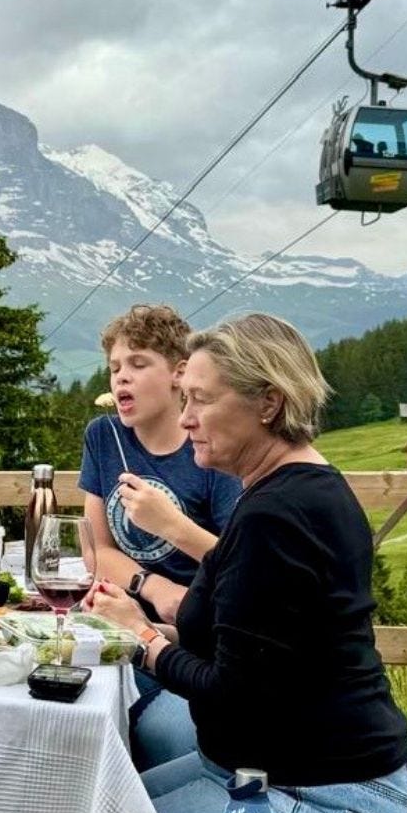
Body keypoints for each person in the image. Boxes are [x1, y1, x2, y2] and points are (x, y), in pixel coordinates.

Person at [86, 313, 407, 813]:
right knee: (92, 800)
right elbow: (261, 646)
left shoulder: (277, 515)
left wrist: (142, 640)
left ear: (269, 402)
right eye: (185, 397)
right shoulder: (289, 489)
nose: (186, 417)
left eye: (202, 399)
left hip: (319, 791)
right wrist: (152, 629)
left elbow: (233, 692)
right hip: (255, 771)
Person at [80, 305, 242, 771]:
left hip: (194, 643)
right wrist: (155, 588)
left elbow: (238, 562)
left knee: (160, 732)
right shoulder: (104, 435)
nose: (120, 379)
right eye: (113, 368)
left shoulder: (209, 449)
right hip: (116, 634)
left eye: (137, 364)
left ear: (179, 373)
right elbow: (96, 549)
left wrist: (169, 523)